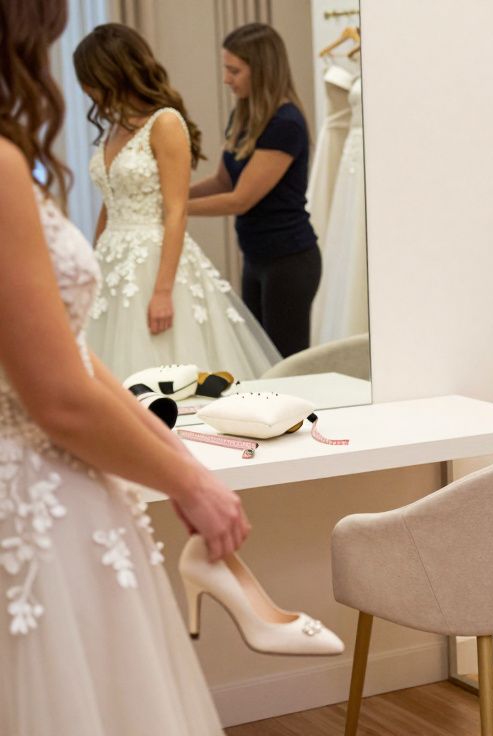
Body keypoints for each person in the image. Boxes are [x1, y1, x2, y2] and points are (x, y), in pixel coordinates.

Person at [0, 2, 248, 732]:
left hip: (147, 267)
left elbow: (173, 212)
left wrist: (166, 445)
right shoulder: (10, 163)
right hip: (38, 482)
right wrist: (188, 479)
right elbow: (60, 394)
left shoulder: (160, 124)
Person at [75, 23, 281, 380]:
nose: (87, 89)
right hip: (113, 262)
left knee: (161, 369)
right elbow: (110, 202)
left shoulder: (165, 123)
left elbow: (176, 211)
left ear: (112, 73)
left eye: (90, 79)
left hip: (155, 261)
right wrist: (94, 267)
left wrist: (162, 291)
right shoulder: (113, 127)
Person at [189, 22, 320, 357]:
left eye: (234, 71)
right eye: (226, 69)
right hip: (255, 257)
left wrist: (174, 209)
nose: (226, 79)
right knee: (258, 359)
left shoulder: (285, 123)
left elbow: (240, 200)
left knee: (285, 364)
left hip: (289, 261)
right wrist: (175, 193)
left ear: (262, 70)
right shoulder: (242, 115)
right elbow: (223, 182)